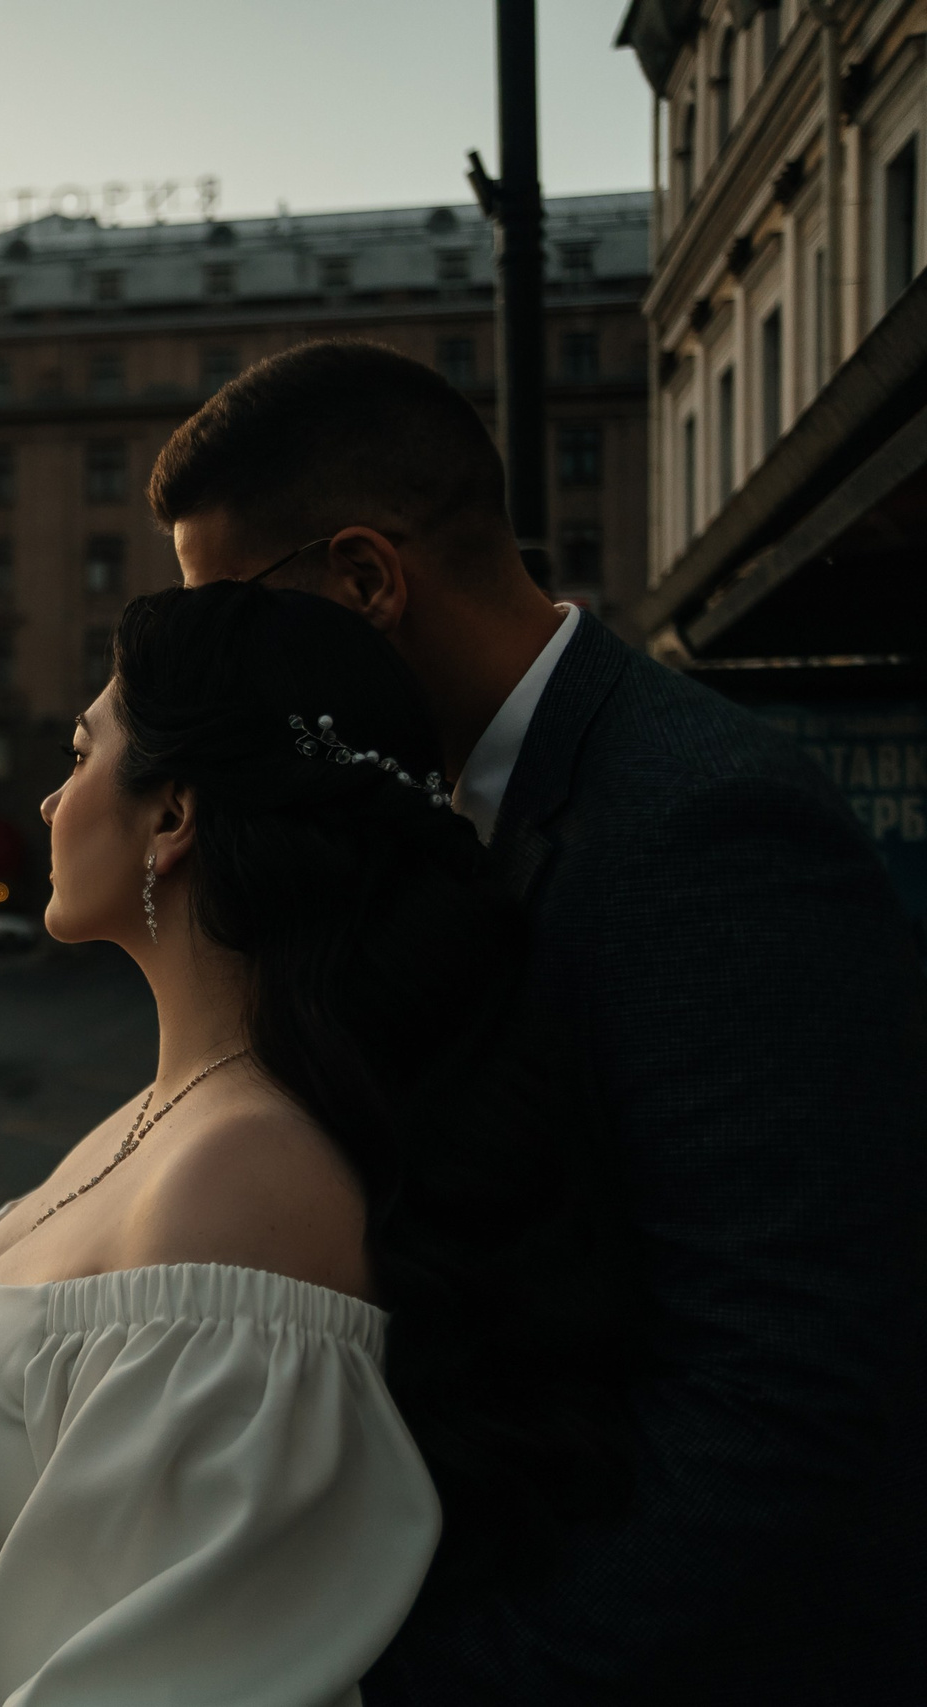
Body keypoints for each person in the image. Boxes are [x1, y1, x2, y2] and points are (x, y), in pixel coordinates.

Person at [153, 339, 926, 1703]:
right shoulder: (419, 815)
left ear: (365, 580)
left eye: (233, 614)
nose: (217, 671)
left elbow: (779, 1393)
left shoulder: (706, 826)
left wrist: (448, 1685)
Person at [0, 578, 636, 1706]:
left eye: (80, 754)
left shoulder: (241, 1184)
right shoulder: (178, 1115)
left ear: (173, 816)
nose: (48, 799)